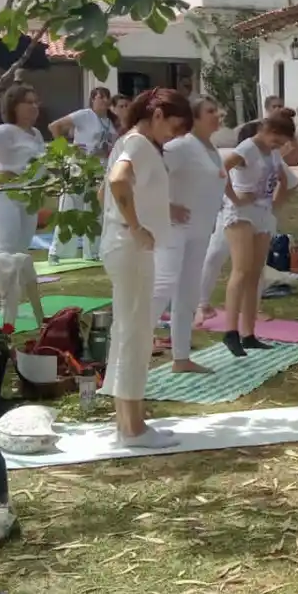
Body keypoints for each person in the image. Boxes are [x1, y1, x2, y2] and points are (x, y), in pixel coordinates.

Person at [100, 88, 193, 446]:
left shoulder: (129, 142)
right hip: (129, 245)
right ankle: (133, 429)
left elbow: (108, 192)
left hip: (122, 242)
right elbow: (117, 182)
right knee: (136, 333)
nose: (173, 135)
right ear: (157, 115)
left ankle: (128, 422)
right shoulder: (137, 144)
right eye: (173, 126)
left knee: (128, 330)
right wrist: (136, 226)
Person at [153, 96, 228, 374]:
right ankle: (130, 355)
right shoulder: (180, 146)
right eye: (210, 111)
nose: (217, 114)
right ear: (193, 118)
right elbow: (148, 176)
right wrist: (166, 206)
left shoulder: (211, 148)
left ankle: (181, 358)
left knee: (187, 294)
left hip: (200, 230)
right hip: (174, 230)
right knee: (161, 290)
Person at [219, 111, 297, 356]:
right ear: (268, 131)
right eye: (277, 140)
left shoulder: (273, 152)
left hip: (262, 213)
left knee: (255, 274)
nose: (278, 146)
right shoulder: (247, 148)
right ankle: (230, 332)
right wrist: (234, 197)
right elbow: (221, 170)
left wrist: (275, 204)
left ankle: (248, 333)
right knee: (241, 271)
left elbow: (286, 181)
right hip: (241, 214)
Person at [0, 82, 49, 255]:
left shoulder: (37, 134)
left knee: (21, 251)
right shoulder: (5, 131)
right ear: (14, 106)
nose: (34, 106)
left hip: (29, 198)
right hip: (6, 196)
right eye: (28, 102)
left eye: (36, 102)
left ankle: (17, 283)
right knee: (6, 250)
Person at [48, 86, 119, 262]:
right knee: (70, 207)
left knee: (95, 210)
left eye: (106, 97)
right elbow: (55, 126)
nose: (103, 100)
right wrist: (66, 148)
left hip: (100, 170)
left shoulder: (111, 122)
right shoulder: (85, 115)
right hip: (79, 167)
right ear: (92, 99)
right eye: (99, 97)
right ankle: (57, 252)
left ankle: (92, 252)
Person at [263, 95, 298, 166]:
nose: (277, 109)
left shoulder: (286, 125)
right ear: (267, 109)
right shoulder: (261, 127)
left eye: (280, 106)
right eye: (274, 106)